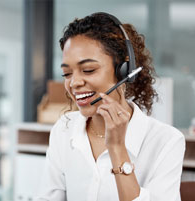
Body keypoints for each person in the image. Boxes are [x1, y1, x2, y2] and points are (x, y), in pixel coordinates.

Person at [35, 12, 185, 201]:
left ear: (124, 71)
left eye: (88, 70)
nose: (74, 83)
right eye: (67, 73)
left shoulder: (166, 141)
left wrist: (117, 148)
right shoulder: (64, 130)